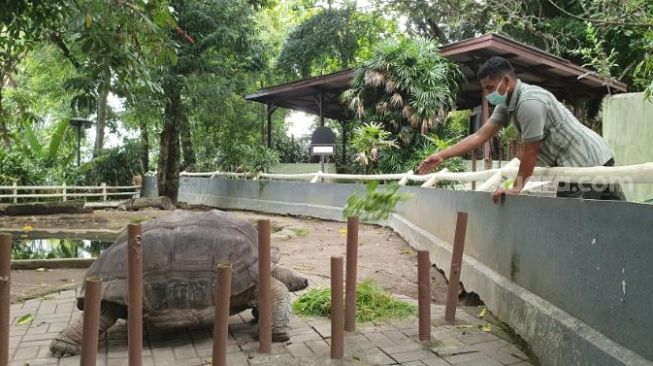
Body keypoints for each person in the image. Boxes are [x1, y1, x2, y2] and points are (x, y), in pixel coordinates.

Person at [418, 56, 624, 202]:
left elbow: (530, 152)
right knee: (618, 219)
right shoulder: (506, 104)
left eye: (490, 87)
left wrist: (516, 188)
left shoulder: (529, 102)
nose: (489, 94)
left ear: (506, 81)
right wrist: (442, 155)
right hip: (589, 161)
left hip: (584, 165)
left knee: (577, 226)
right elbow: (481, 135)